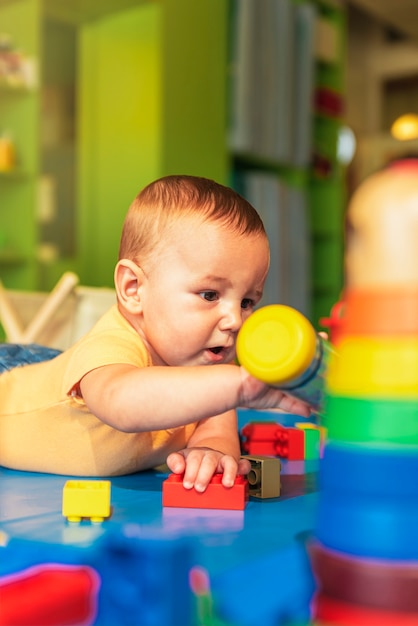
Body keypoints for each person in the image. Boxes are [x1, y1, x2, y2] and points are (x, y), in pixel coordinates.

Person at [0, 175, 311, 491]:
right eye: (210, 295)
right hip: (11, 381)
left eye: (247, 302)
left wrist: (211, 451)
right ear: (134, 289)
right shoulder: (111, 346)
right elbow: (121, 402)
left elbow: (216, 429)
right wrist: (242, 387)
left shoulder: (210, 368)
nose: (235, 319)